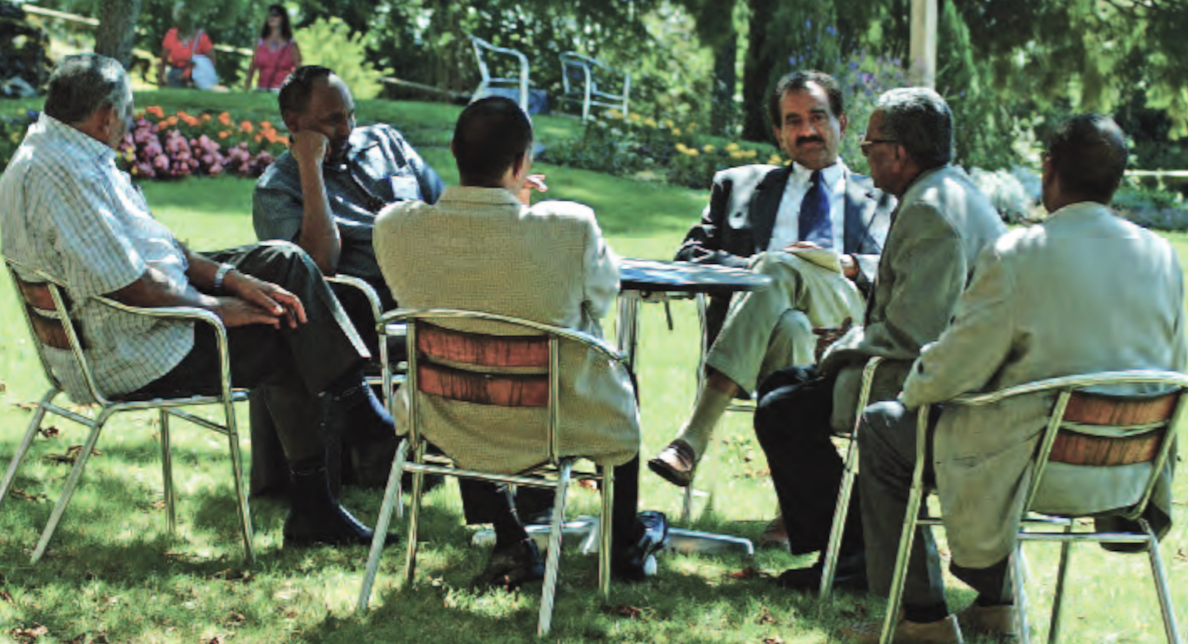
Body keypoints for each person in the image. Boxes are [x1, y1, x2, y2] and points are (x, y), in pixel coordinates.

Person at [0, 53, 396, 548]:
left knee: (283, 261)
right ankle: (329, 476)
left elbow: (158, 245)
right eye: (127, 112)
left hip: (125, 326)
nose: (130, 121)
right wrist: (216, 309)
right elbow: (133, 286)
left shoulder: (58, 150)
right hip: (132, 350)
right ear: (105, 117)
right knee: (288, 327)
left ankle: (352, 413)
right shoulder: (66, 176)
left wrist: (231, 279)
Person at [844, 115, 1188, 644]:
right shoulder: (1163, 257)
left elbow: (953, 367)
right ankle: (995, 608)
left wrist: (915, 390)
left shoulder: (1020, 254)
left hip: (1027, 471)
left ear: (1048, 169)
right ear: (1118, 177)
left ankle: (922, 619)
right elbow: (1169, 366)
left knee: (884, 426)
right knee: (991, 422)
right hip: (1126, 475)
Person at [373, 96, 668, 588]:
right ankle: (623, 544)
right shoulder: (569, 228)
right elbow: (600, 301)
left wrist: (514, 214)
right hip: (550, 418)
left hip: (445, 414)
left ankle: (510, 536)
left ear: (454, 153)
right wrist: (525, 221)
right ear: (522, 163)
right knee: (620, 376)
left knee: (468, 370)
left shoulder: (396, 227)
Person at [751, 88, 1007, 592]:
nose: (863, 154)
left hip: (923, 384)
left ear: (900, 152)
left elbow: (915, 332)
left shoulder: (930, 212)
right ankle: (852, 551)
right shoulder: (953, 190)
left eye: (869, 145)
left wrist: (843, 347)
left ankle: (855, 560)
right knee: (783, 388)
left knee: (781, 409)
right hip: (946, 368)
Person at [650, 70, 892, 494]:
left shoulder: (881, 196)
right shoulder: (740, 187)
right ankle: (796, 510)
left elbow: (900, 268)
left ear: (842, 123)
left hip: (844, 326)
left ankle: (692, 437)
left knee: (778, 270)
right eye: (794, 122)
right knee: (790, 321)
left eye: (818, 117)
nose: (807, 130)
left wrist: (850, 265)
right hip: (764, 334)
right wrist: (761, 271)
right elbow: (690, 257)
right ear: (779, 134)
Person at [251, 65, 446, 494]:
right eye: (332, 121)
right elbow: (315, 270)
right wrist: (310, 167)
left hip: (436, 288)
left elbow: (445, 206)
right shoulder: (278, 189)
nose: (348, 129)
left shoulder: (386, 142)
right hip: (363, 313)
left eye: (350, 115)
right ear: (294, 124)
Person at [158, 2, 217, 89]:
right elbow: (163, 59)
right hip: (176, 74)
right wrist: (160, 79)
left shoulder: (201, 37)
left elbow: (212, 58)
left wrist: (202, 73)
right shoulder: (171, 34)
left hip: (195, 76)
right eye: (182, 16)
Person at [243, 4, 301, 92]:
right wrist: (247, 87)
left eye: (275, 15)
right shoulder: (260, 42)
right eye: (269, 15)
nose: (272, 17)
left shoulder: (291, 44)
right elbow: (252, 67)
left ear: (282, 19)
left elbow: (299, 69)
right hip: (262, 90)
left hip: (284, 91)